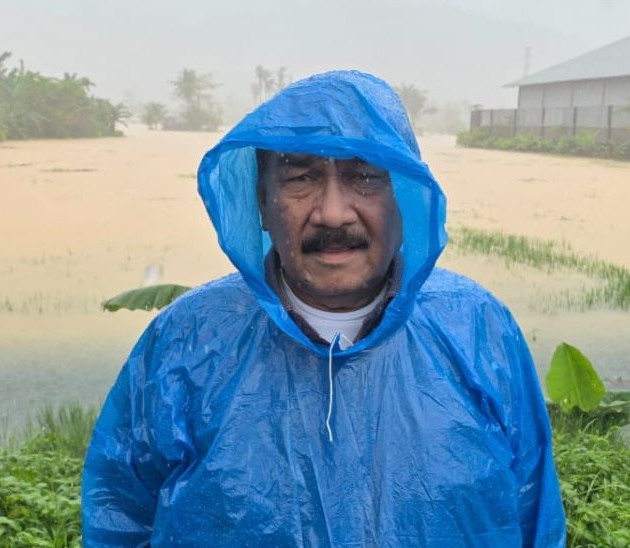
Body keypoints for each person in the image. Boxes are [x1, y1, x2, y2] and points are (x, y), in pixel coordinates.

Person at [81, 70, 566, 547]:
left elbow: (532, 512)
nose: (333, 213)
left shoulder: (479, 331)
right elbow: (120, 518)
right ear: (262, 202)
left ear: (404, 197)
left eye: (365, 176)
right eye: (300, 177)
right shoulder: (185, 343)